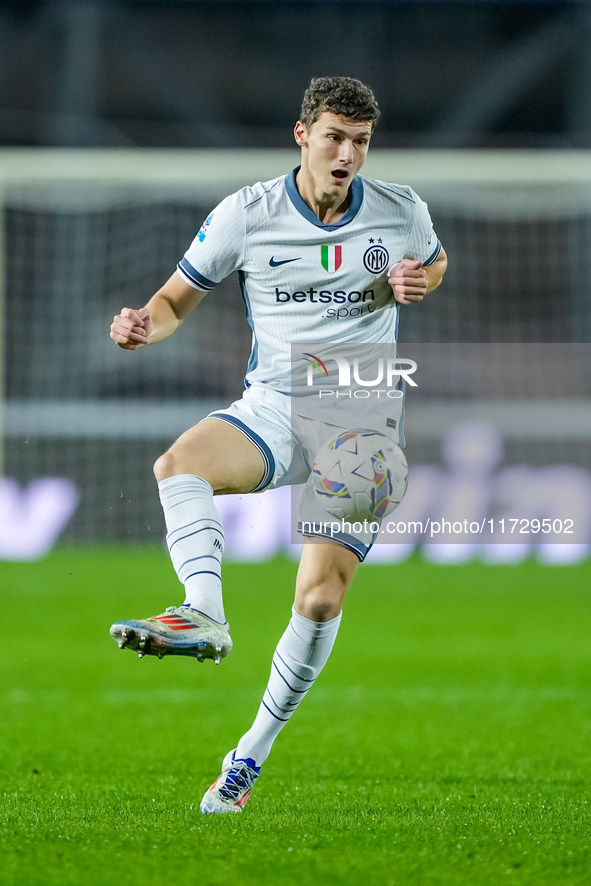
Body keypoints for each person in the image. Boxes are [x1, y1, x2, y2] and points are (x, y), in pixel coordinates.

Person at [109, 76, 448, 814]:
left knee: (320, 599)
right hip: (271, 406)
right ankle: (204, 614)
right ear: (302, 135)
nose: (346, 154)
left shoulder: (400, 210)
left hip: (358, 419)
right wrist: (143, 323)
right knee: (179, 464)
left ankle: (247, 757)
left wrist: (416, 280)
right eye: (333, 137)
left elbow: (433, 260)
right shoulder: (248, 214)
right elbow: (174, 300)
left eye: (359, 141)